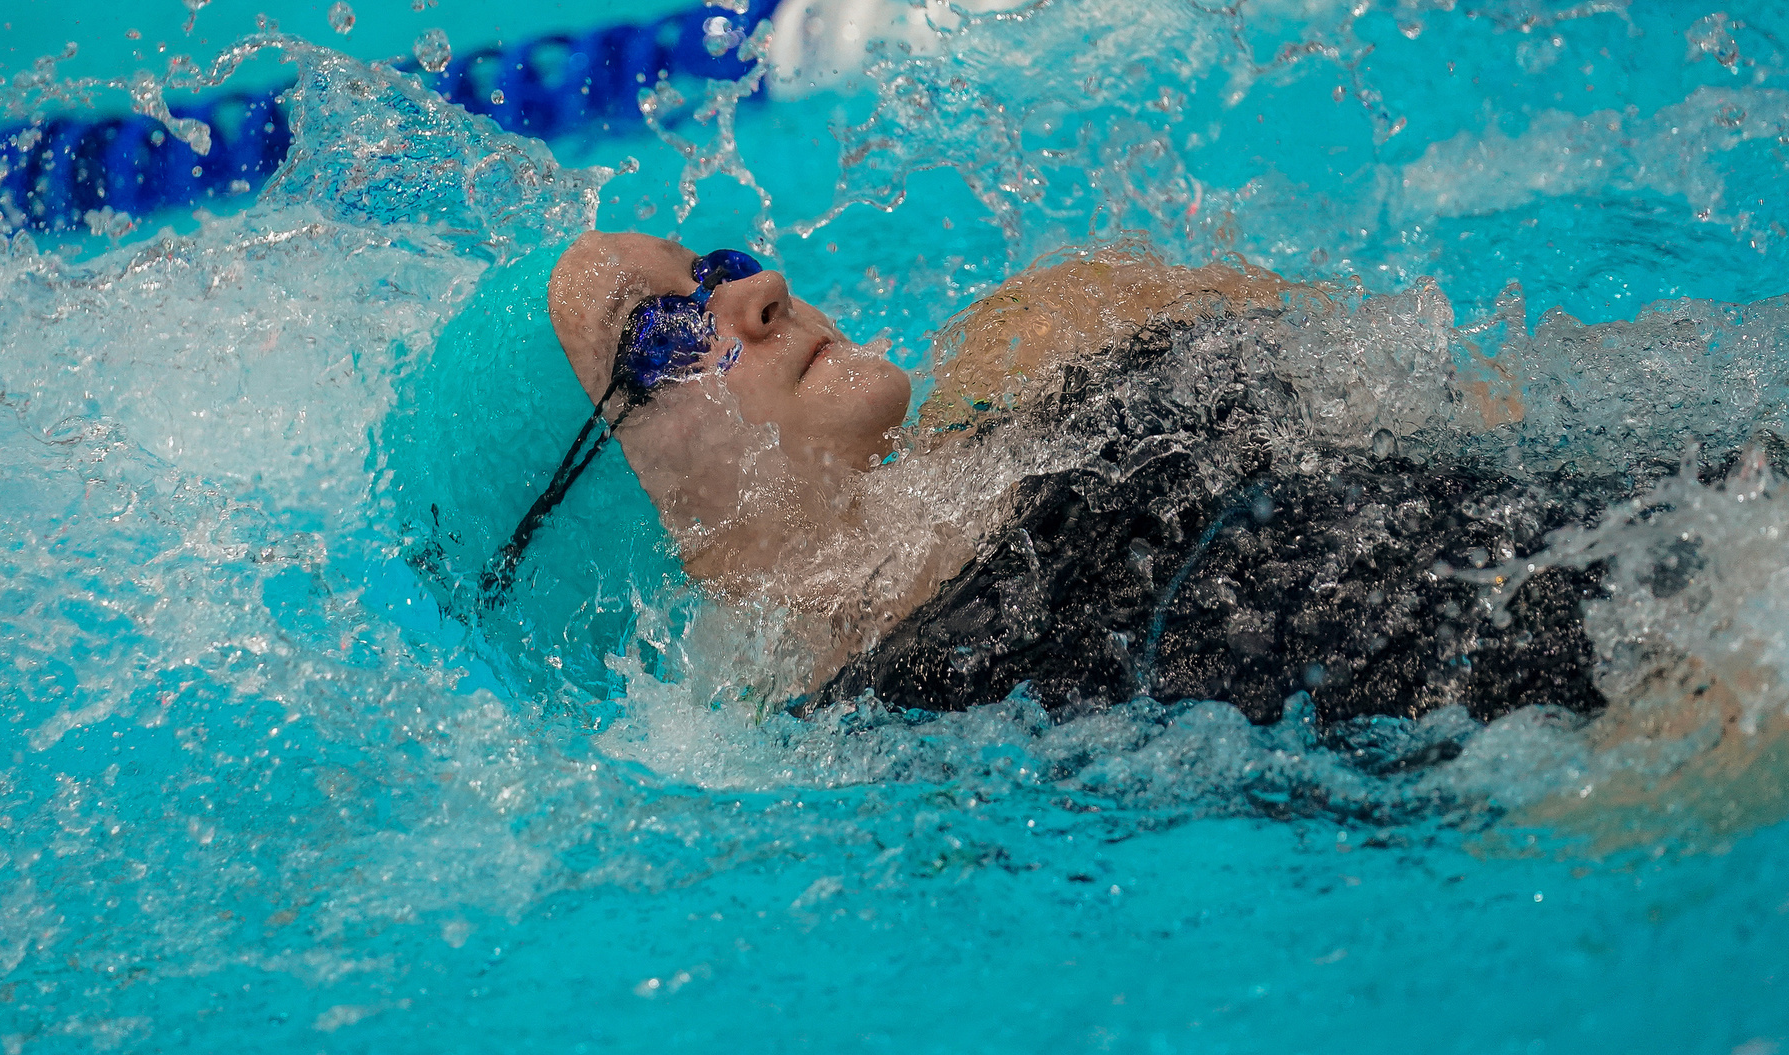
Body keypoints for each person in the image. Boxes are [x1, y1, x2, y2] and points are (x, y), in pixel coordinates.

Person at [389, 230, 1630, 733]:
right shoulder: (948, 721)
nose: (759, 292)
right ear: (618, 532)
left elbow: (1485, 399)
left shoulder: (1040, 340)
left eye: (713, 264)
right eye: (662, 339)